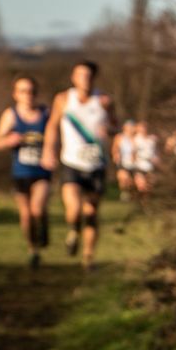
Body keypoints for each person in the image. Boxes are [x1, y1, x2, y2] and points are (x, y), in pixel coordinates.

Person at [43, 60, 115, 270]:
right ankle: (74, 230)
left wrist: (110, 131)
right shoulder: (63, 99)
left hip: (97, 164)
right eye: (80, 75)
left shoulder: (104, 101)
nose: (84, 79)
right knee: (74, 209)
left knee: (91, 213)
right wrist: (48, 150)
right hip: (72, 163)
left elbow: (116, 126)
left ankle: (88, 257)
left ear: (94, 77)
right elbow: (52, 126)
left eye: (88, 75)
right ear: (73, 78)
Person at [0, 75, 53, 265]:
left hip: (42, 172)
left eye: (31, 91)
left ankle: (43, 225)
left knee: (37, 209)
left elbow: (58, 137)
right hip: (20, 173)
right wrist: (8, 140)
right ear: (15, 94)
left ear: (36, 93)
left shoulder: (46, 114)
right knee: (26, 216)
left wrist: (53, 152)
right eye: (23, 91)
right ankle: (33, 249)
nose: (28, 95)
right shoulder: (10, 115)